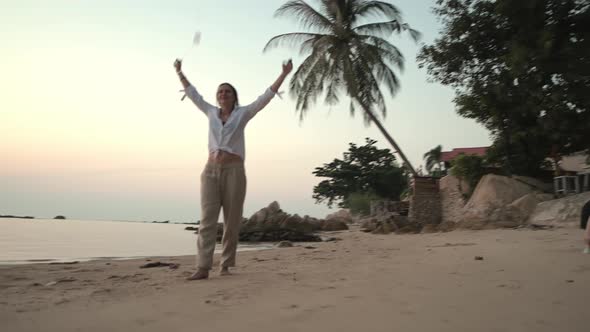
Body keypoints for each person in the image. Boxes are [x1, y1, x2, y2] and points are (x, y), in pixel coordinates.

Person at [174, 58, 293, 279]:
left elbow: (265, 98)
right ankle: (202, 267)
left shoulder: (243, 113)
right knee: (207, 219)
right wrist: (179, 72)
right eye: (220, 92)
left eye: (227, 92)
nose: (223, 94)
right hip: (210, 171)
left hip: (234, 171)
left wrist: (284, 74)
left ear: (234, 96)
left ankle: (226, 265)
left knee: (232, 220)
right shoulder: (210, 112)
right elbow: (193, 94)